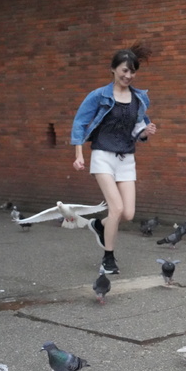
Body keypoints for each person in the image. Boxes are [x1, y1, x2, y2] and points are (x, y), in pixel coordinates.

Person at [71, 44, 158, 274]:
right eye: (124, 70)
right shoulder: (99, 96)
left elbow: (136, 131)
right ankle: (108, 259)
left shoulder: (139, 99)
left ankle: (99, 225)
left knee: (128, 213)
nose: (128, 75)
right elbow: (80, 123)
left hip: (126, 158)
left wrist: (145, 132)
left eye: (132, 72)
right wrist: (79, 154)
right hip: (103, 156)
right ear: (113, 69)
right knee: (116, 208)